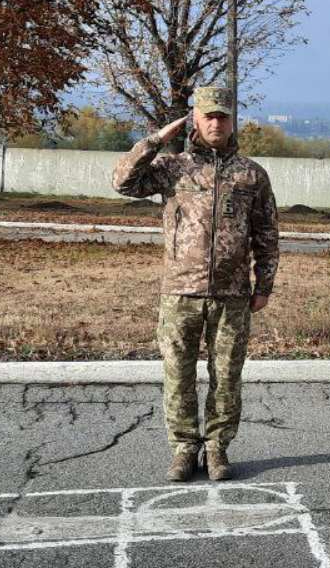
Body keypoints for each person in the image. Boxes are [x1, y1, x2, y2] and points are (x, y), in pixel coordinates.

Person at [111, 84, 279, 481]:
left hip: (232, 295)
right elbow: (122, 182)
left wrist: (263, 285)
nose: (217, 122)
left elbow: (267, 234)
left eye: (223, 116)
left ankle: (218, 449)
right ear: (195, 121)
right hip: (180, 292)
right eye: (209, 116)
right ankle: (185, 448)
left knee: (226, 377)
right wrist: (156, 140)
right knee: (179, 375)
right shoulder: (173, 168)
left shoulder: (251, 174)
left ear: (232, 120)